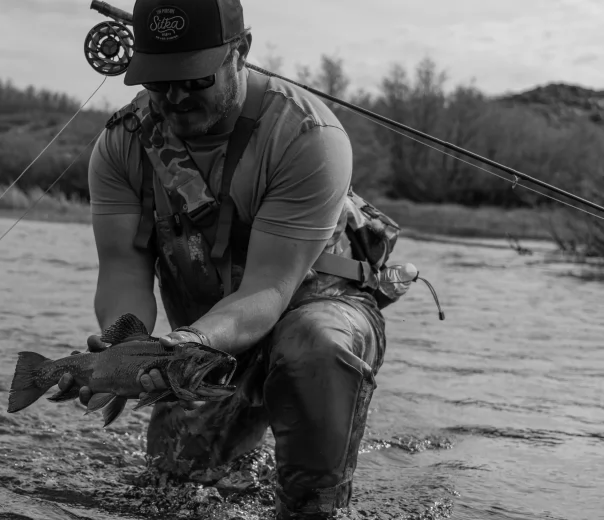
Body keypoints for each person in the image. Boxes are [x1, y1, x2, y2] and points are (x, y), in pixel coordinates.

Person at [59, 0, 406, 517]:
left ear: (240, 50)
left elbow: (267, 288)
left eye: (194, 79)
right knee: (173, 492)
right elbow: (122, 270)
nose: (175, 98)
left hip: (308, 312)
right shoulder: (121, 144)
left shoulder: (308, 137)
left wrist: (187, 344)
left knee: (313, 346)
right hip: (203, 342)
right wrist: (123, 351)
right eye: (158, 82)